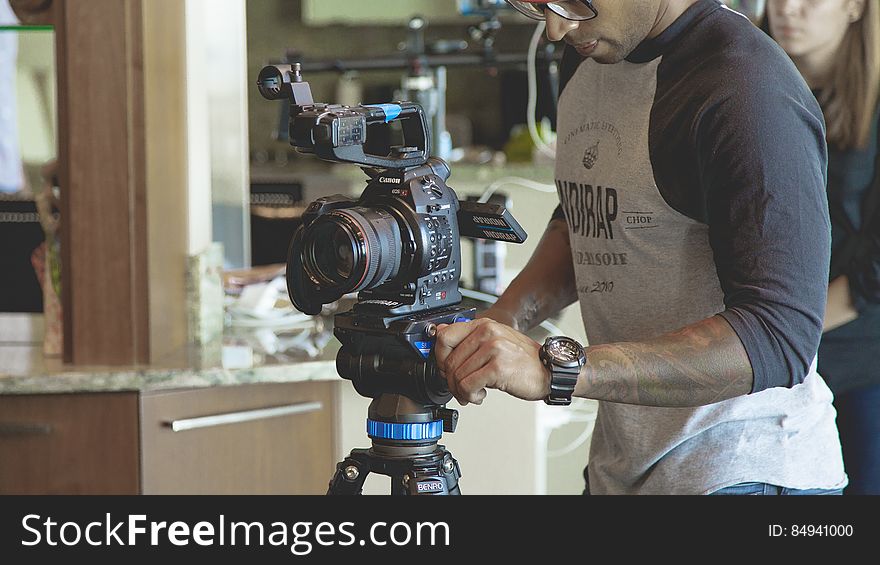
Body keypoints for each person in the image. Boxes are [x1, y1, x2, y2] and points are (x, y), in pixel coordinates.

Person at [435, 0, 848, 495]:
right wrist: (503, 319)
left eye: (572, 3)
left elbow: (780, 335)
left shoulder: (744, 88)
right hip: (625, 467)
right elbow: (588, 217)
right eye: (537, 5)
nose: (555, 28)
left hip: (743, 469)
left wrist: (559, 370)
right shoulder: (590, 51)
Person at [766, 0, 880, 495]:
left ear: (855, 7)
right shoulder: (754, 88)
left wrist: (782, 331)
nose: (788, 9)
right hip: (773, 368)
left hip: (858, 366)